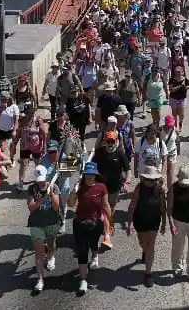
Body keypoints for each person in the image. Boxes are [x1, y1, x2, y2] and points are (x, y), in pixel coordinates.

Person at [67, 161, 112, 295]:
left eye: (91, 174)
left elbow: (106, 206)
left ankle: (95, 255)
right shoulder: (79, 187)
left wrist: (111, 223)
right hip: (80, 223)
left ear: (95, 175)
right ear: (84, 174)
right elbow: (70, 204)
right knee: (82, 251)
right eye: (87, 174)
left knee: (93, 244)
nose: (89, 176)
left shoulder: (101, 187)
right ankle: (83, 280)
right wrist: (74, 191)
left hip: (95, 223)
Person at [126, 165, 168, 288]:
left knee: (151, 245)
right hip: (140, 220)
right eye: (149, 180)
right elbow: (132, 206)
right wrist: (129, 224)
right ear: (144, 179)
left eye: (154, 180)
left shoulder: (159, 189)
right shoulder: (139, 188)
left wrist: (164, 223)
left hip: (154, 220)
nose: (151, 182)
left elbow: (163, 207)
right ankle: (145, 252)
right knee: (143, 243)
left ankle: (148, 273)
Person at [27, 165, 62, 294]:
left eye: (42, 180)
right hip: (36, 223)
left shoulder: (54, 187)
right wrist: (43, 199)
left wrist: (51, 196)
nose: (41, 183)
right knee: (39, 251)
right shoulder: (32, 188)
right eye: (38, 180)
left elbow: (56, 207)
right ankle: (40, 279)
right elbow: (31, 207)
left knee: (51, 244)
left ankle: (51, 256)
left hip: (51, 222)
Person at [14, 106, 47, 184]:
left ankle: (39, 180)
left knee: (37, 164)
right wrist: (14, 144)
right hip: (24, 146)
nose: (30, 114)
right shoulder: (22, 120)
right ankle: (21, 182)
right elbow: (18, 133)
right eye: (28, 113)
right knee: (23, 164)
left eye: (31, 113)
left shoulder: (38, 121)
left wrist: (44, 146)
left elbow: (44, 134)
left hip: (36, 146)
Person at [0, 91, 21, 157]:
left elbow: (16, 120)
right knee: (1, 147)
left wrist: (14, 131)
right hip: (0, 129)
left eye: (5, 99)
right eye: (2, 99)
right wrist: (1, 109)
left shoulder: (14, 106)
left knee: (11, 146)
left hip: (10, 130)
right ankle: (2, 160)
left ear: (9, 98)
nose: (3, 101)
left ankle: (12, 158)